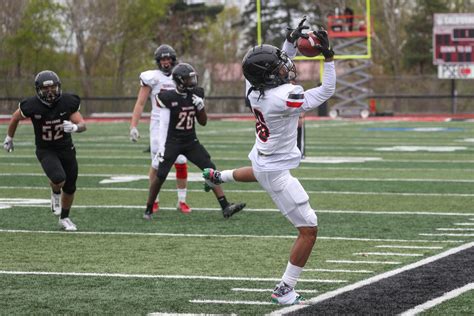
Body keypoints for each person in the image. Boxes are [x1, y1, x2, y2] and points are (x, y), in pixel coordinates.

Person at [203, 18, 335, 305]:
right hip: (276, 170)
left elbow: (279, 65)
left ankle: (218, 176)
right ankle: (285, 289)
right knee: (309, 229)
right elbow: (326, 91)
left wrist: (289, 42)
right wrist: (328, 57)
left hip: (264, 160)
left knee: (258, 171)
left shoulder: (253, 90)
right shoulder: (282, 97)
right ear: (268, 75)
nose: (285, 67)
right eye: (277, 67)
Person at [143, 63, 246, 220]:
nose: (192, 82)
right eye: (188, 79)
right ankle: (149, 208)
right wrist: (162, 146)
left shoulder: (196, 95)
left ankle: (225, 206)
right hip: (173, 141)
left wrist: (201, 107)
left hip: (190, 141)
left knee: (210, 168)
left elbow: (203, 122)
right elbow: (163, 124)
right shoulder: (168, 97)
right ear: (179, 81)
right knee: (161, 174)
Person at [3, 70, 87, 231]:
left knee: (70, 186)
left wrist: (76, 127)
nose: (50, 92)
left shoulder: (68, 102)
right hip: (45, 148)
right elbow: (15, 117)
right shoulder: (32, 105)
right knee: (58, 178)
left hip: (66, 147)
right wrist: (9, 137)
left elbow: (83, 124)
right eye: (45, 89)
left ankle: (64, 218)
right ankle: (55, 192)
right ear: (38, 90)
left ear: (58, 87)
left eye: (53, 88)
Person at [129, 44, 191, 214]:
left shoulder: (180, 74)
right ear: (158, 61)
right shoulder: (152, 78)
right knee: (157, 163)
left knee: (181, 162)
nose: (165, 62)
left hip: (178, 125)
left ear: (173, 59)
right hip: (158, 127)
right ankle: (154, 200)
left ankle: (182, 201)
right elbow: (140, 102)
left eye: (168, 58)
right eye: (162, 59)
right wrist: (133, 125)